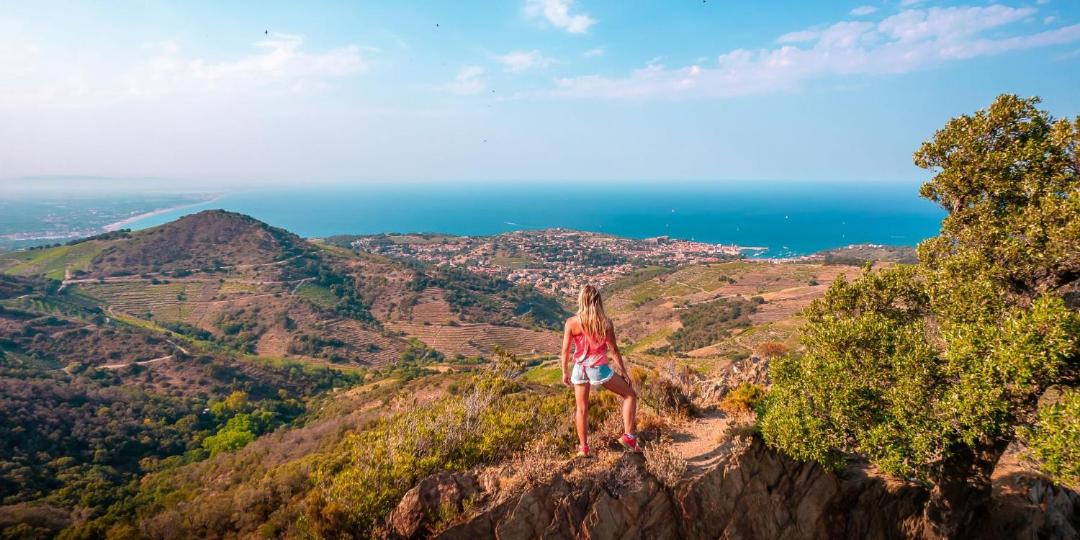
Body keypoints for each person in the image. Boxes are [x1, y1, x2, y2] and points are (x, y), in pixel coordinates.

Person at [561, 284, 639, 457]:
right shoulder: (605, 323)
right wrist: (624, 372)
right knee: (630, 395)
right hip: (597, 368)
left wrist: (564, 372)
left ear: (582, 300)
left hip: (579, 369)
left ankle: (583, 448)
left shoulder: (571, 323)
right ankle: (629, 437)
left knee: (581, 409)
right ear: (598, 301)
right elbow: (614, 350)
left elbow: (565, 351)